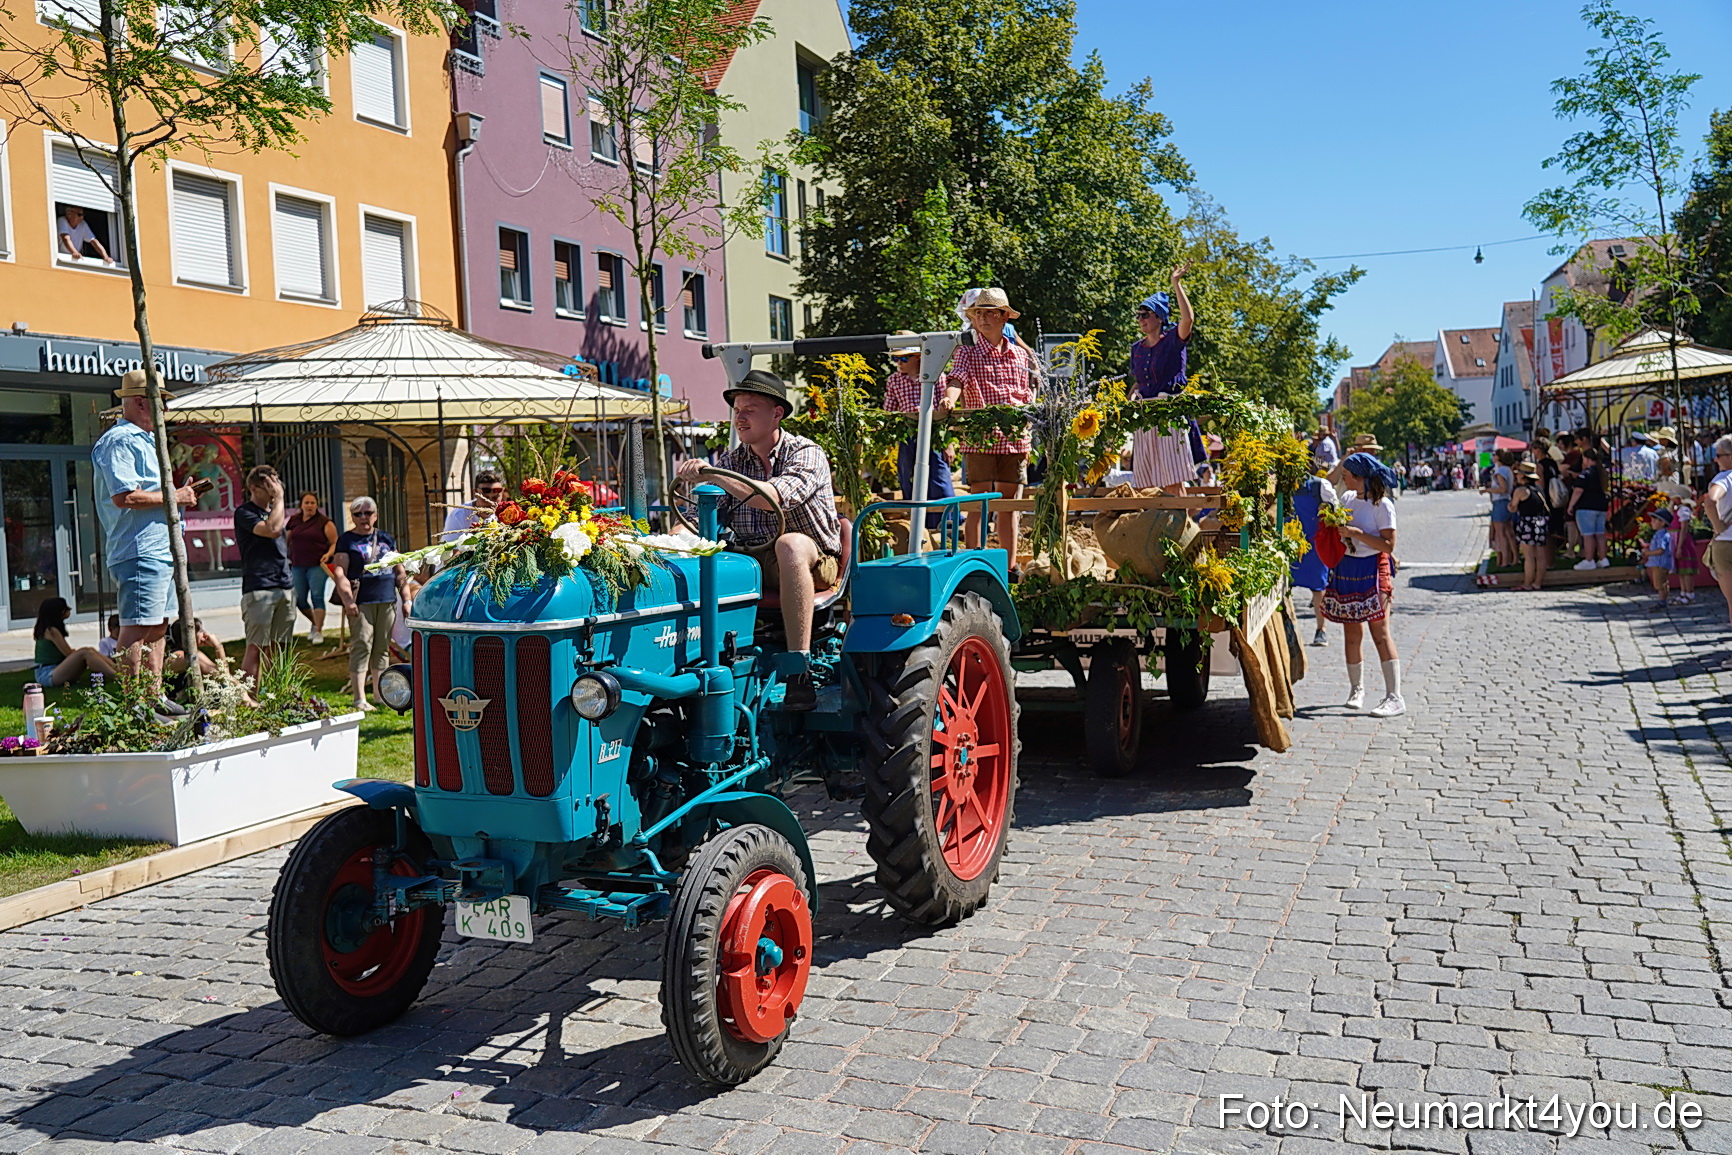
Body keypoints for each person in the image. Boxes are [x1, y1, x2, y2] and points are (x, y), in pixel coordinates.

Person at [676, 370, 840, 711]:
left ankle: (800, 670)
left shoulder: (805, 452)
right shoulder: (733, 461)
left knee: (789, 544)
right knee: (701, 558)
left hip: (812, 560)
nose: (740, 416)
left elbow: (773, 499)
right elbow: (695, 522)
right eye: (737, 409)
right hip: (753, 561)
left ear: (776, 413)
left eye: (750, 408)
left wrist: (717, 475)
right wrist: (668, 542)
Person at [90, 368, 198, 713]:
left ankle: (153, 698)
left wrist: (179, 496)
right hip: (139, 549)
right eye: (160, 403)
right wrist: (175, 497)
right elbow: (125, 497)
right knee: (137, 627)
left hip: (157, 550)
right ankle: (132, 706)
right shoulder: (120, 440)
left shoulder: (144, 440)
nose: (164, 411)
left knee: (158, 625)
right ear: (140, 402)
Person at [942, 287, 1039, 556]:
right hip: (980, 438)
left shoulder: (1019, 355)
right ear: (972, 318)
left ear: (1004, 317)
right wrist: (950, 399)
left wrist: (1025, 404)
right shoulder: (967, 351)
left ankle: (1009, 566)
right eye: (978, 313)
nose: (983, 318)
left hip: (1015, 438)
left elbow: (1026, 392)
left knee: (1009, 506)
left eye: (990, 313)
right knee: (977, 502)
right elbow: (956, 379)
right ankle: (973, 560)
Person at [1323, 453, 1404, 718]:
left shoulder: (1382, 505)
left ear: (1361, 478)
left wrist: (1358, 534)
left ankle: (1395, 696)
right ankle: (1356, 689)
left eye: (1347, 475)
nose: (1343, 479)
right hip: (1348, 566)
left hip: (1372, 566)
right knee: (1352, 634)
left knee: (1380, 632)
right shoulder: (1347, 499)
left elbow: (1389, 545)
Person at [1126, 266, 1198, 495]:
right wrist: (1131, 397)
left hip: (1170, 413)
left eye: (1145, 314)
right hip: (1145, 416)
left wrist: (1176, 284)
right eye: (1138, 315)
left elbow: (1188, 319)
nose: (1141, 319)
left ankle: (1183, 529)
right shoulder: (1136, 349)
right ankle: (1155, 529)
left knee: (1173, 480)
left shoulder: (1172, 340)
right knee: (1146, 481)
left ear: (1159, 317)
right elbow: (1139, 382)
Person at [332, 497, 406, 711]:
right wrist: (347, 601)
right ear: (353, 517)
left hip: (386, 599)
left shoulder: (386, 538)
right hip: (361, 601)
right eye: (358, 513)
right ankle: (359, 697)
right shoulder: (346, 540)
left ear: (376, 514)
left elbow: (399, 569)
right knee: (362, 645)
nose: (364, 517)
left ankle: (380, 694)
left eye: (368, 512)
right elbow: (340, 572)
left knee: (382, 648)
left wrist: (406, 599)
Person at [883, 332, 955, 529]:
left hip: (934, 434)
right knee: (907, 476)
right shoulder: (894, 381)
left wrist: (949, 443)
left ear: (918, 357)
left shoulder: (937, 377)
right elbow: (889, 411)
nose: (899, 362)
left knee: (939, 477)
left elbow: (946, 412)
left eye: (903, 358)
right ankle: (918, 522)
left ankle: (948, 522)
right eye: (896, 358)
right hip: (907, 436)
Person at [235, 465, 293, 684]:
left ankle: (277, 696)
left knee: (281, 647)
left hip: (284, 585)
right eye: (268, 485)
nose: (274, 489)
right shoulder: (244, 513)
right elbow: (272, 530)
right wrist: (279, 499)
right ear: (253, 488)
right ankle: (249, 700)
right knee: (256, 646)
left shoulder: (274, 511)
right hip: (259, 588)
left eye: (276, 483)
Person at [1290, 470, 1339, 646]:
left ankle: (1321, 629)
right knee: (1283, 589)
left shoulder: (1319, 486)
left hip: (1316, 546)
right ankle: (1288, 630)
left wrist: (1328, 511)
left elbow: (1336, 511)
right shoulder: (1281, 485)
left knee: (1318, 588)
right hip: (1289, 545)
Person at [285, 491, 337, 645]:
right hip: (297, 565)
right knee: (300, 599)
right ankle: (314, 623)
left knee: (317, 597)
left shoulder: (324, 522)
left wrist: (328, 554)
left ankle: (319, 632)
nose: (309, 506)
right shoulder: (294, 521)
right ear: (301, 505)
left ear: (317, 505)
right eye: (306, 503)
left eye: (312, 503)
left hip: (317, 565)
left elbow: (335, 542)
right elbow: (286, 540)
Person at [32, 597, 117, 688]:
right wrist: (77, 653)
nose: (69, 610)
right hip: (47, 674)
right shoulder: (51, 630)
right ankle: (118, 676)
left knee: (89, 650)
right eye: (65, 609)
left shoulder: (49, 629)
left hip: (55, 669)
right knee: (85, 652)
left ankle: (118, 670)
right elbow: (68, 653)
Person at [1656, 459, 1701, 605]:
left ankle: (1689, 593)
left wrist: (1680, 545)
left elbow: (1684, 528)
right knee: (1681, 570)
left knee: (1686, 571)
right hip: (1675, 539)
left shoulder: (1684, 511)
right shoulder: (1676, 510)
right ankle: (1683, 592)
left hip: (1682, 540)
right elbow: (1668, 516)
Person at [1509, 461, 1552, 591]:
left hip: (1527, 523)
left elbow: (1512, 507)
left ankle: (1527, 583)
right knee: (1540, 555)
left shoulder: (1521, 490)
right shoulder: (1538, 489)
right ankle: (1537, 582)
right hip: (1540, 522)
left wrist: (1510, 506)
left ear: (1523, 476)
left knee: (1528, 555)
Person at [1704, 436, 1732, 628]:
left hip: (1727, 541)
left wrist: (1717, 526)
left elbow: (1710, 501)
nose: (1716, 460)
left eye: (1719, 455)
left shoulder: (1724, 479)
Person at [164, 616, 226, 697]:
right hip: (172, 706)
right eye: (200, 631)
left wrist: (242, 691)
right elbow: (219, 675)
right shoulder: (180, 657)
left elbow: (223, 673)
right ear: (189, 635)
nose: (205, 634)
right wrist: (218, 647)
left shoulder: (193, 653)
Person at [1569, 448, 1611, 569]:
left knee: (1588, 534)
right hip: (1601, 506)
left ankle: (1589, 559)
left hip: (1586, 506)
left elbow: (1578, 491)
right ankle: (1603, 559)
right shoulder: (1602, 473)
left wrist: (1571, 505)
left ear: (1586, 459)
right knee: (1600, 534)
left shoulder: (1585, 473)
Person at [442, 470, 505, 544]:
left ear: (502, 492)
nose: (490, 502)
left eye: (495, 497)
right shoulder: (458, 516)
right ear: (475, 493)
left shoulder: (508, 514)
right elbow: (449, 550)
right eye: (486, 497)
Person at [1486, 449, 1517, 569]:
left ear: (1499, 457)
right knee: (1509, 532)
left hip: (1500, 502)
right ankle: (1514, 558)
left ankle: (1505, 560)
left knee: (1501, 533)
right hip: (1507, 501)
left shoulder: (1499, 472)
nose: (1492, 457)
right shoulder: (1508, 470)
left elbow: (1503, 489)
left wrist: (1488, 490)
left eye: (1494, 455)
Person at [1643, 508, 1675, 612]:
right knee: (1661, 582)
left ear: (1662, 523)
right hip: (1658, 562)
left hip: (1660, 563)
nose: (1651, 522)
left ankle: (1662, 602)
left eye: (1654, 520)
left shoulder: (1662, 535)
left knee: (1660, 583)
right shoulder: (1659, 534)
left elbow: (1661, 549)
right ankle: (1663, 600)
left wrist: (1648, 553)